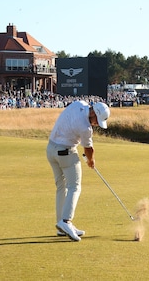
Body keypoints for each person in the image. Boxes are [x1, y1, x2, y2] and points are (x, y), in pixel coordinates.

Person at [46, 100, 110, 242]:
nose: (96, 124)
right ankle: (66, 221)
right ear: (93, 113)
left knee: (61, 187)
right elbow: (88, 149)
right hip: (65, 152)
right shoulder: (86, 128)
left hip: (50, 149)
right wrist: (91, 161)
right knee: (74, 187)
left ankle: (61, 226)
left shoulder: (78, 104)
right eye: (96, 121)